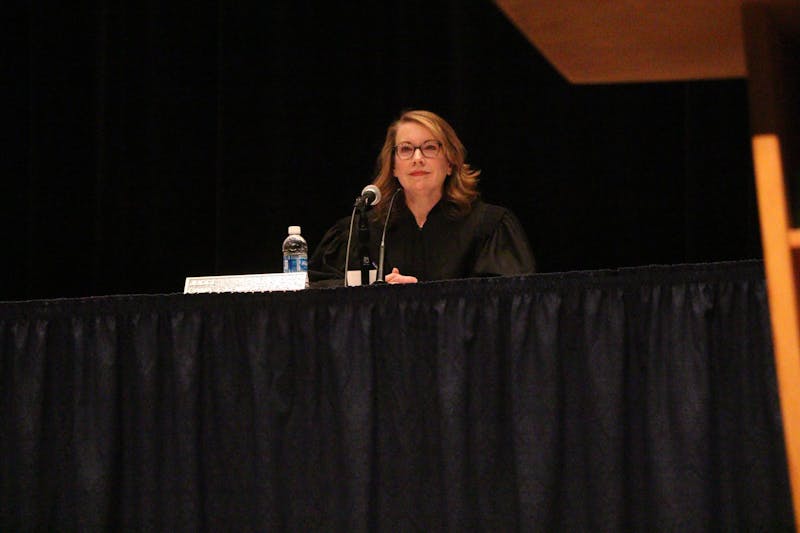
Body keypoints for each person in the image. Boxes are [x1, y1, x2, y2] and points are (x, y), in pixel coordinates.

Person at [309, 109, 535, 286]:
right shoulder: (361, 231)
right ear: (394, 167)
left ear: (450, 162)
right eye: (406, 149)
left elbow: (506, 303)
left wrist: (422, 293)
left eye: (430, 147)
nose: (417, 158)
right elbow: (320, 292)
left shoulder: (489, 226)